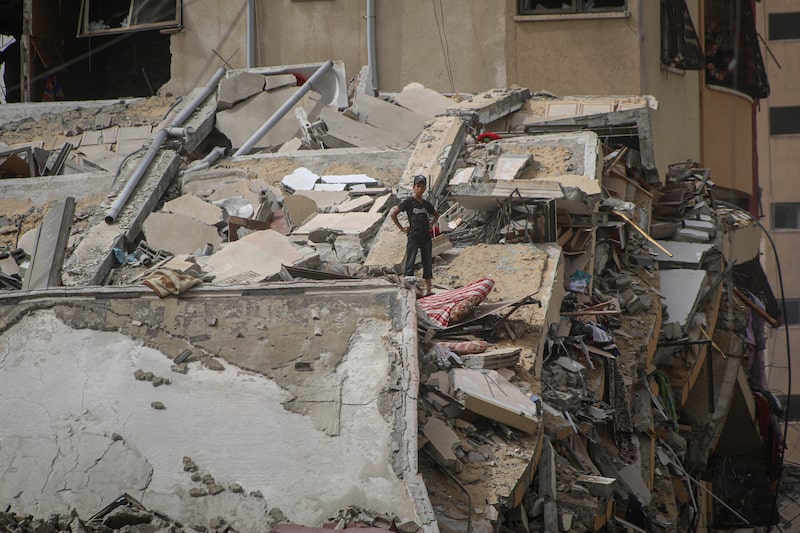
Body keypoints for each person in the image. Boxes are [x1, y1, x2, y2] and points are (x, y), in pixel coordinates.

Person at [390, 175, 440, 296]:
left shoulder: (426, 204)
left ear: (424, 189)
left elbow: (436, 215)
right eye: (418, 186)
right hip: (413, 236)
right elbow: (393, 214)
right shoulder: (408, 202)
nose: (420, 189)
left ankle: (428, 290)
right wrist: (402, 228)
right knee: (410, 262)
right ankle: (409, 290)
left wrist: (431, 224)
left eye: (422, 187)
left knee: (427, 261)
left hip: (426, 237)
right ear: (413, 187)